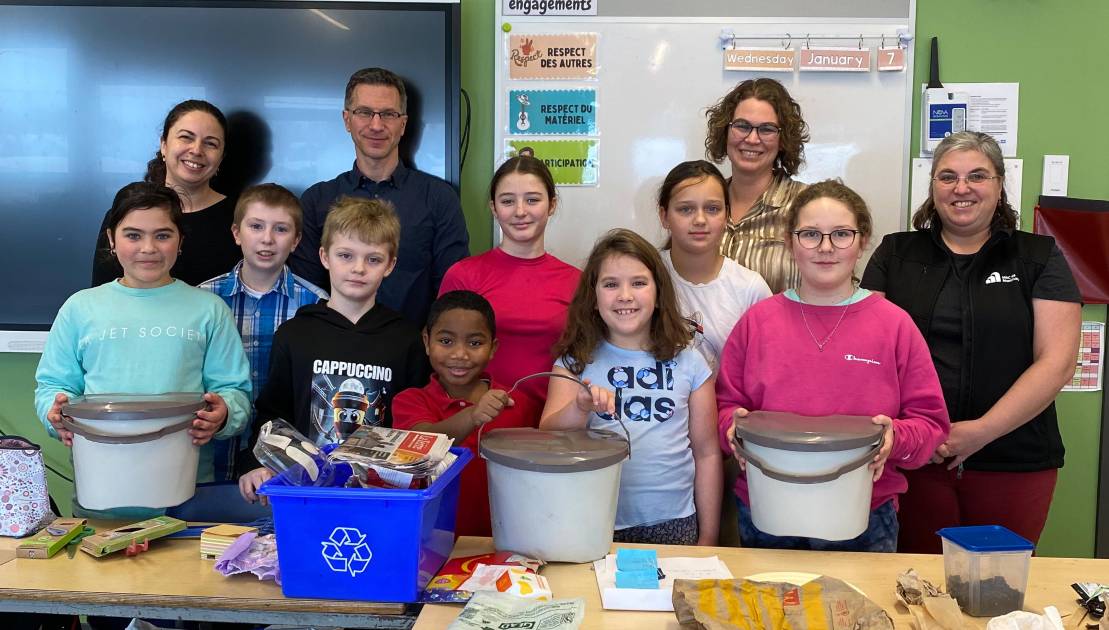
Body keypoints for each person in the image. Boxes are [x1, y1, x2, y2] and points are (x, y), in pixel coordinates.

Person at [861, 131, 1082, 553]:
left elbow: (1056, 363)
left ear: (999, 186)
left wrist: (981, 432)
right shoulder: (895, 254)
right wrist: (915, 437)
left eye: (977, 176)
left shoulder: (1038, 256)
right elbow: (869, 357)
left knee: (998, 589)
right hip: (913, 461)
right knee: (912, 587)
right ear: (933, 189)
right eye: (948, 177)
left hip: (1014, 461)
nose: (961, 188)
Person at [716, 179, 950, 552]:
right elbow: (725, 406)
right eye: (810, 234)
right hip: (768, 511)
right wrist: (731, 427)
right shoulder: (757, 322)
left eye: (841, 234)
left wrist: (896, 438)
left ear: (862, 241)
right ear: (791, 242)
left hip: (864, 515)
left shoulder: (894, 325)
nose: (826, 248)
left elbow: (931, 425)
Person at [35, 182, 252, 519]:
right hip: (101, 500)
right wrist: (55, 412)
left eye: (162, 235)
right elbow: (52, 386)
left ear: (180, 239)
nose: (148, 248)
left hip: (187, 504)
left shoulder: (209, 310)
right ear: (111, 239)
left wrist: (223, 413)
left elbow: (235, 391)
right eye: (133, 235)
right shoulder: (80, 309)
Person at [239, 196, 430, 501]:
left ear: (390, 265)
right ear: (324, 256)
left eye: (373, 259)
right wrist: (256, 463)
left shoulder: (405, 339)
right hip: (307, 493)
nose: (358, 269)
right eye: (345, 255)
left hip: (380, 496)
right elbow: (273, 413)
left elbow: (416, 425)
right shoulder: (295, 334)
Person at [540, 229, 721, 546]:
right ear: (593, 298)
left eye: (638, 283)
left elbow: (706, 453)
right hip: (593, 518)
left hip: (674, 521)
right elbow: (549, 432)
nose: (625, 295)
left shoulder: (691, 362)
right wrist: (579, 407)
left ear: (658, 293)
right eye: (611, 284)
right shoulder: (574, 363)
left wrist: (709, 536)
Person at [290, 67, 469, 325]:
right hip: (333, 354)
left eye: (388, 114)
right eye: (364, 112)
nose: (376, 125)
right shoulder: (317, 201)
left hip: (415, 355)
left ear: (403, 124)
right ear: (347, 119)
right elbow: (305, 292)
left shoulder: (439, 198)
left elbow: (452, 293)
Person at [199, 183, 329, 481]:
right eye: (256, 226)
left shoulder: (317, 305)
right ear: (236, 233)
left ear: (296, 240)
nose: (267, 239)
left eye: (281, 229)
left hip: (282, 466)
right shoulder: (202, 300)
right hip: (209, 457)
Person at [392, 290, 540, 536]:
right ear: (427, 342)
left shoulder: (518, 404)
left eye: (475, 343)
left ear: (493, 348)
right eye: (446, 341)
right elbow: (423, 446)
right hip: (431, 546)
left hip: (502, 544)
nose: (460, 354)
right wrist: (473, 416)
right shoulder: (409, 401)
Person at [439, 156, 580, 408]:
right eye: (507, 201)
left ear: (551, 205)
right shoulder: (463, 275)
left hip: (553, 426)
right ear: (494, 208)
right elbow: (444, 355)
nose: (520, 211)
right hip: (478, 422)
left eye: (532, 200)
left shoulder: (577, 281)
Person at [92, 100, 241, 286]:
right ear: (164, 145)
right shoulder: (127, 212)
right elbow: (101, 296)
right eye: (186, 137)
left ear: (221, 157)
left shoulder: (243, 218)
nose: (196, 150)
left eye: (210, 143)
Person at [657, 160, 771, 373]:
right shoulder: (644, 276)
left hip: (725, 406)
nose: (700, 220)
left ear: (726, 214)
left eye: (712, 209)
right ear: (664, 216)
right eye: (686, 209)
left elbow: (766, 368)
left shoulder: (750, 288)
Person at [704, 78, 810, 293]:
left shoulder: (808, 207)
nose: (752, 139)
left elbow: (838, 291)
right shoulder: (701, 203)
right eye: (742, 126)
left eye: (767, 129)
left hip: (784, 327)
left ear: (783, 139)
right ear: (725, 131)